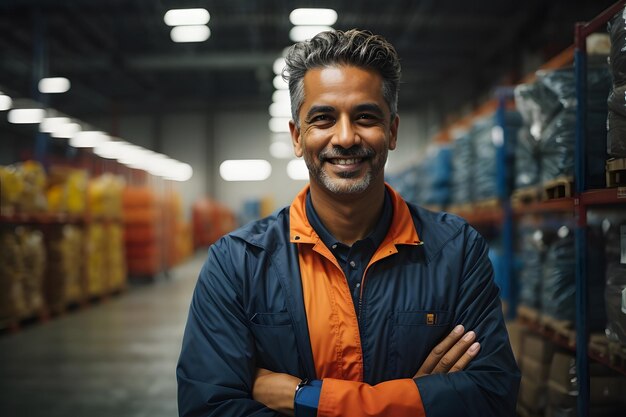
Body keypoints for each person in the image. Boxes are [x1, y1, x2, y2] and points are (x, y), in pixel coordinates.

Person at [177, 29, 520, 417]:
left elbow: (491, 395)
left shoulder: (455, 250)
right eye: (323, 118)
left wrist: (304, 397)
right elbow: (209, 408)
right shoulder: (238, 262)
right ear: (297, 136)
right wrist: (416, 399)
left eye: (365, 117)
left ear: (391, 131)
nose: (344, 137)